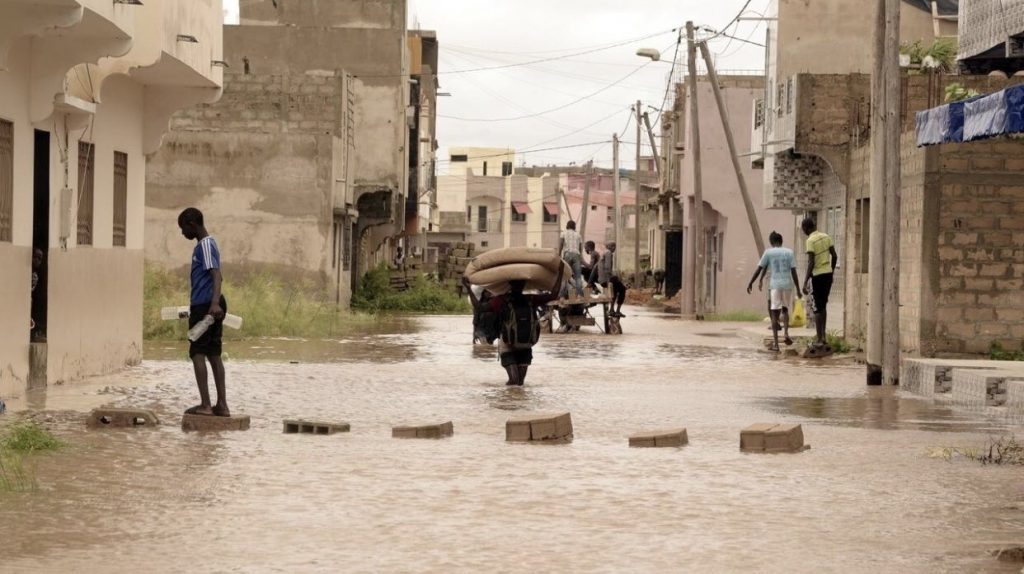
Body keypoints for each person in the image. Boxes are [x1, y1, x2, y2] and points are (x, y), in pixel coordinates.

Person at [464, 263, 563, 386]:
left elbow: (479, 307)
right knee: (517, 382)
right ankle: (513, 402)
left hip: (516, 344)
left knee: (516, 383)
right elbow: (554, 295)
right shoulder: (526, 299)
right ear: (521, 285)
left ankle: (513, 402)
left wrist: (468, 288)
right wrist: (560, 273)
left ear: (510, 285)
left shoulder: (507, 300)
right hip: (517, 344)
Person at [178, 207, 230, 417]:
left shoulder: (205, 245)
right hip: (209, 305)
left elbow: (216, 275)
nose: (183, 234)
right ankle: (222, 406)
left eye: (183, 228)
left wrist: (214, 304)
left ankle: (206, 405)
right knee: (213, 353)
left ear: (192, 224)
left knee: (198, 353)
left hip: (207, 306)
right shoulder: (205, 245)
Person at [747, 231, 801, 352]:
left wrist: (751, 282)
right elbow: (794, 272)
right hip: (787, 284)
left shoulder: (768, 252)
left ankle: (776, 344)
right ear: (781, 241)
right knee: (785, 309)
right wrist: (798, 288)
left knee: (774, 312)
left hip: (775, 285)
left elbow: (759, 268)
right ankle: (786, 333)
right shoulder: (789, 252)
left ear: (771, 242)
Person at [801, 217, 838, 349]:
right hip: (827, 274)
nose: (803, 231)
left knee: (817, 307)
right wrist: (832, 272)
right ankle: (823, 337)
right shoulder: (826, 236)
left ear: (806, 228)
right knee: (823, 306)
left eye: (803, 229)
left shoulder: (810, 240)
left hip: (817, 276)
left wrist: (805, 281)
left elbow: (811, 261)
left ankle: (819, 339)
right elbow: (834, 256)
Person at [592, 242, 626, 317]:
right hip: (606, 279)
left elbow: (597, 267)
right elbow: (607, 268)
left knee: (615, 290)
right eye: (612, 246)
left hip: (602, 279)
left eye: (615, 246)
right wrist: (611, 278)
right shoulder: (608, 253)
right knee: (623, 289)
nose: (614, 248)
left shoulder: (603, 253)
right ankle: (617, 310)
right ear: (609, 246)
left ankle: (612, 310)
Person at [559, 220, 584, 298]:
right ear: (574, 227)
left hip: (567, 254)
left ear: (567, 226)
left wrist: (559, 255)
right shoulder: (578, 235)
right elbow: (580, 248)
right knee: (578, 276)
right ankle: (579, 295)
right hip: (576, 255)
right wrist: (580, 258)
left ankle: (562, 296)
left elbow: (561, 244)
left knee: (564, 275)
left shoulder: (563, 233)